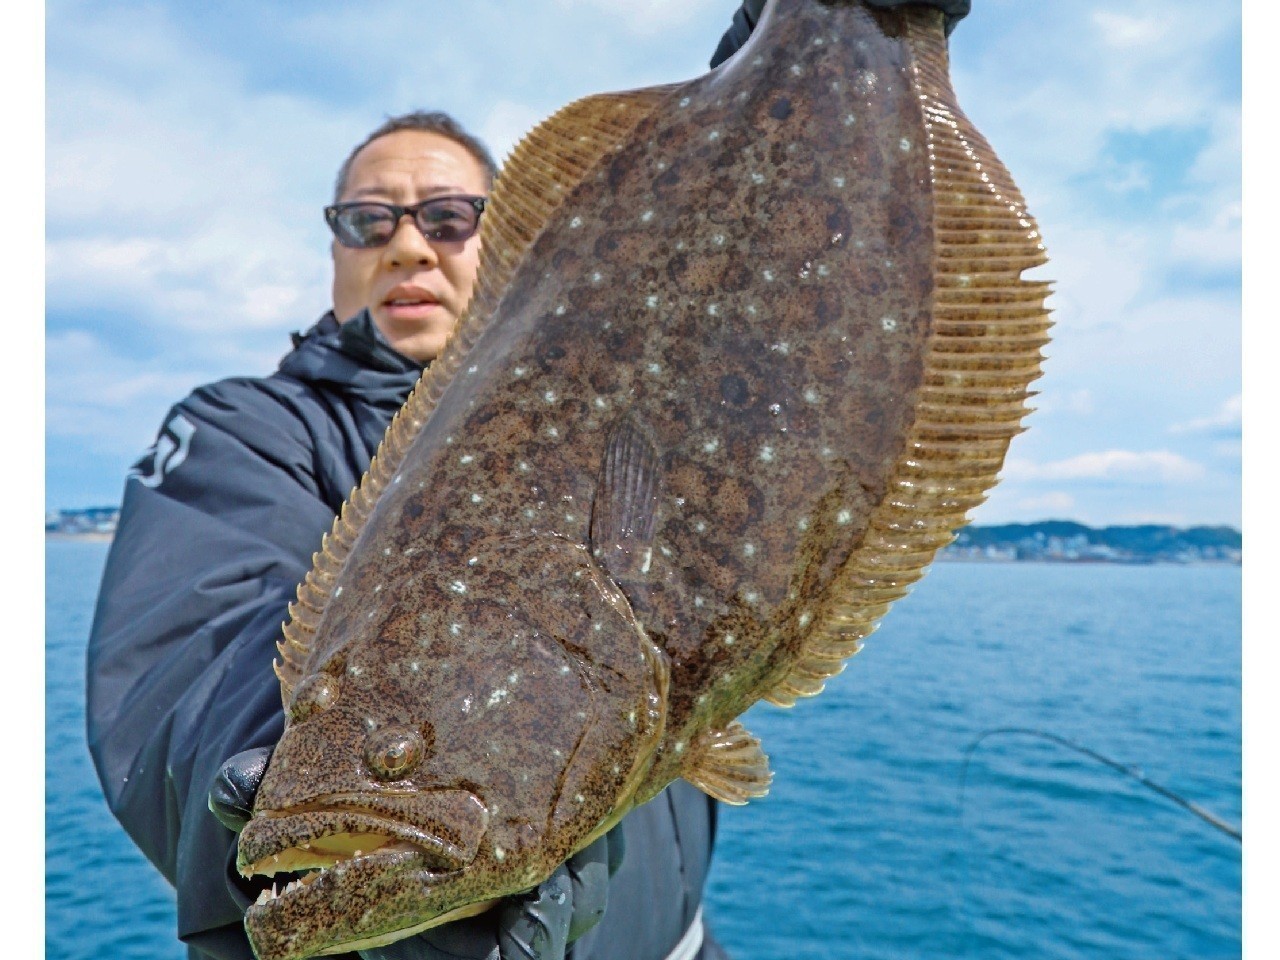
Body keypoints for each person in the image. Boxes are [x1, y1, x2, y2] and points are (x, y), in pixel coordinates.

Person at [85, 3, 970, 959]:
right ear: (334, 248)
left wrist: (791, 41)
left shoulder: (648, 364)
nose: (408, 246)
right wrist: (366, 843)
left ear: (515, 235)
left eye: (449, 217)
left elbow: (726, 259)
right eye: (367, 221)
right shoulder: (248, 430)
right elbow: (185, 671)